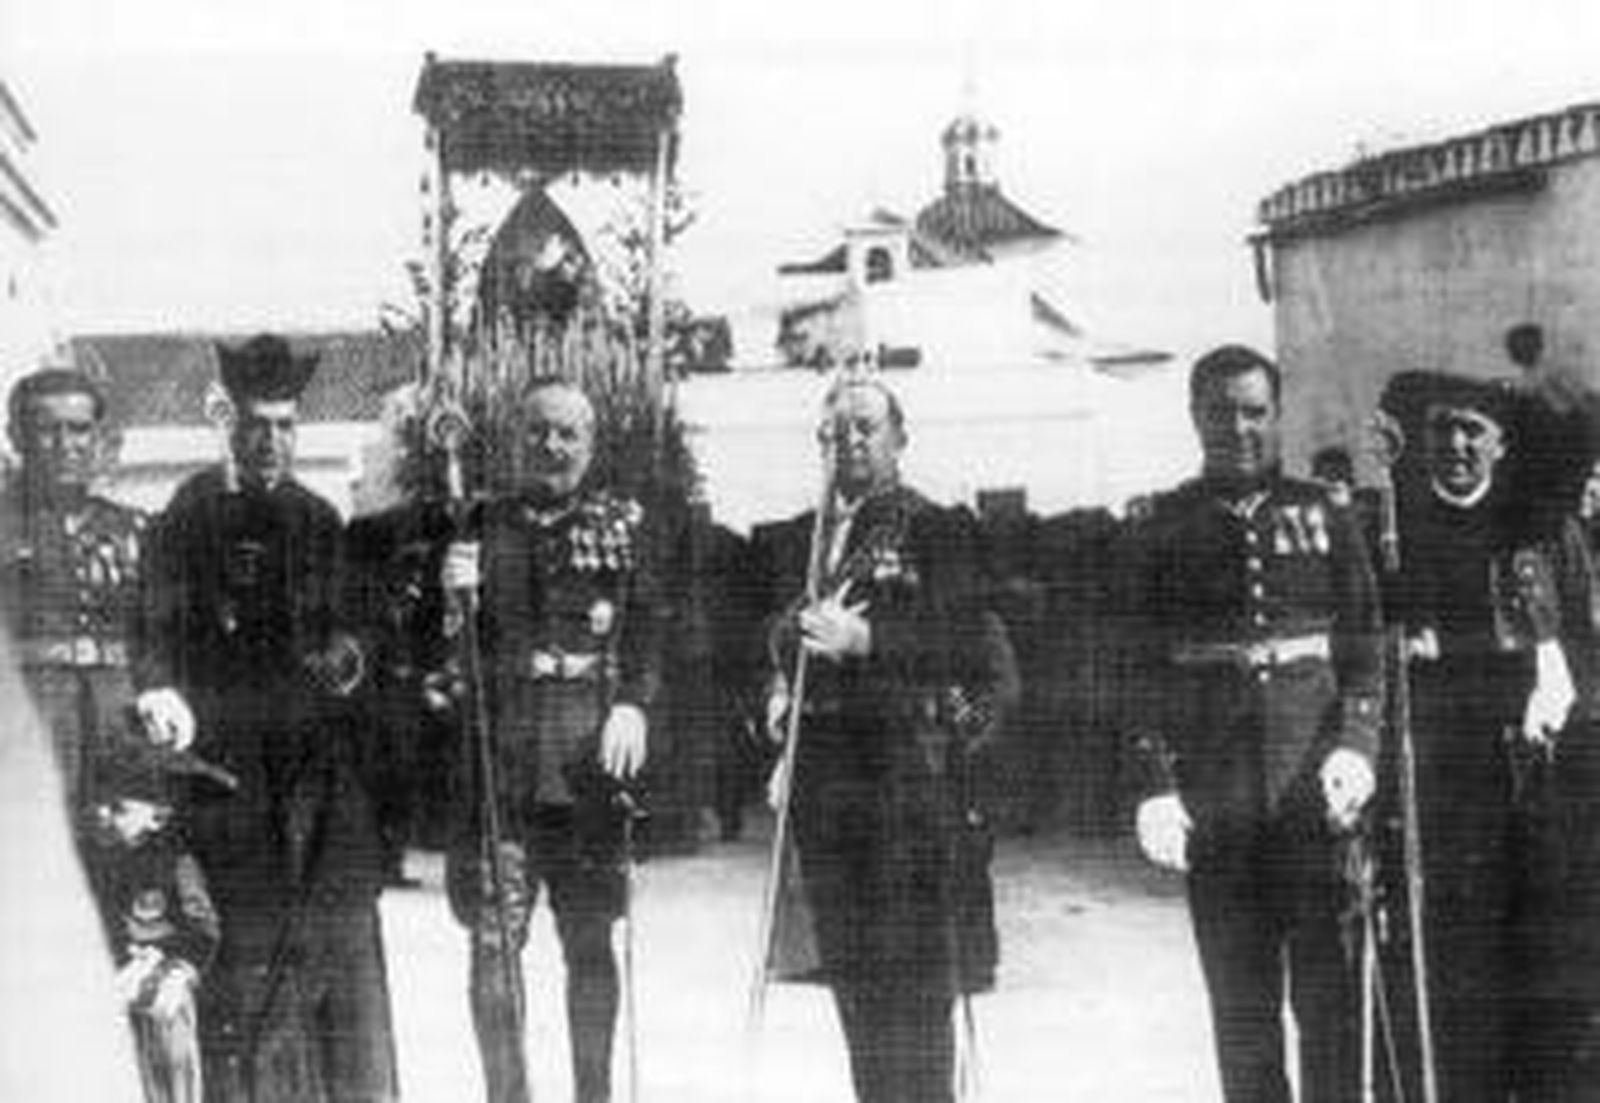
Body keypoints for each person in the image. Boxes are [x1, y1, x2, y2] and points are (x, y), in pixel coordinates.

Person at [1119, 344, 1384, 1102]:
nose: (1237, 427)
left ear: (1277, 415)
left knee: (1331, 1008)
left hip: (1315, 799)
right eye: (1219, 411)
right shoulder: (1157, 526)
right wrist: (1155, 785)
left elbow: (1364, 649)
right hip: (1219, 804)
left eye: (1253, 411)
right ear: (1194, 416)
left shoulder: (1326, 513)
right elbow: (1134, 668)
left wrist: (1358, 747)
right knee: (1242, 1015)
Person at [140, 334, 397, 1103]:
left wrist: (348, 657)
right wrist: (162, 691)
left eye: (285, 425)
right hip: (226, 774)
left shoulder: (319, 519)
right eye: (257, 425)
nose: (271, 441)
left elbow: (355, 630)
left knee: (332, 953)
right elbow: (154, 632)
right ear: (229, 423)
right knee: (244, 962)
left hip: (313, 779)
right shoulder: (186, 515)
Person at [750, 375, 1001, 1103]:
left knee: (916, 986)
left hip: (905, 781)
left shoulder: (938, 528)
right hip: (826, 786)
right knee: (854, 980)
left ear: (899, 437)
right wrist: (777, 687)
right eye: (833, 432)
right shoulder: (803, 538)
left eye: (865, 427)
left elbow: (963, 642)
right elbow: (775, 632)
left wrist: (865, 637)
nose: (848, 443)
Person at [439, 377, 662, 1103]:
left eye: (569, 432)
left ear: (591, 444)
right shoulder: (478, 522)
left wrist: (633, 703)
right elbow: (442, 656)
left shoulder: (621, 525)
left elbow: (653, 632)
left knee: (591, 946)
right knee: (493, 952)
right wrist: (450, 595)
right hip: (502, 764)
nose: (553, 445)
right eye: (539, 431)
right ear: (516, 439)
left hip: (586, 771)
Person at [1374, 370, 1579, 1102]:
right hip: (1437, 782)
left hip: (1533, 787)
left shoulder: (1539, 531)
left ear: (1500, 442)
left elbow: (1572, 644)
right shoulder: (1396, 534)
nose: (1456, 443)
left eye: (1472, 428)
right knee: (1452, 964)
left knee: (1541, 958)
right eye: (1441, 428)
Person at [0, 367, 185, 806]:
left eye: (79, 430)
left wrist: (160, 689)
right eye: (47, 430)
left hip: (118, 716)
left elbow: (156, 633)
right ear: (16, 437)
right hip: (26, 714)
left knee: (126, 849)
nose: (66, 446)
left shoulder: (135, 530)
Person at [81, 739, 229, 1103]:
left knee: (171, 1077)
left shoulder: (175, 863)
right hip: (117, 989)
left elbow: (204, 931)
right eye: (101, 806)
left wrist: (178, 971)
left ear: (157, 815)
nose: (105, 815)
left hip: (164, 991)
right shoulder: (100, 866)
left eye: (118, 808)